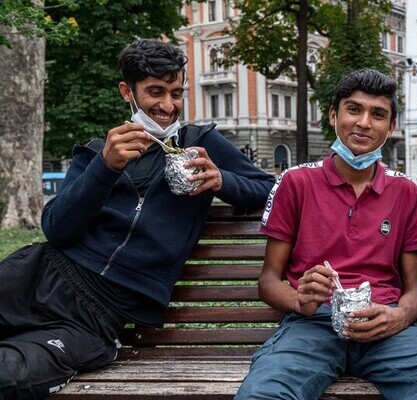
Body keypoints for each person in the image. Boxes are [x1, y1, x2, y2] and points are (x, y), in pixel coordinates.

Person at [0, 39, 275, 398]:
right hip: (36, 277)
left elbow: (267, 186)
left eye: (176, 93)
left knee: (10, 374)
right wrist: (105, 167)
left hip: (95, 319)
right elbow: (57, 228)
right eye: (155, 92)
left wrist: (223, 180)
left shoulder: (200, 142)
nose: (167, 105)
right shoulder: (100, 150)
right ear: (127, 92)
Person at [236, 69, 417, 400]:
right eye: (354, 109)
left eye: (378, 114)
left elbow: (414, 289)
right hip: (312, 325)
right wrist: (300, 299)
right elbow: (268, 281)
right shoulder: (296, 182)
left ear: (391, 127)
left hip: (387, 329)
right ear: (333, 115)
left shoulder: (404, 191)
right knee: (263, 395)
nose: (364, 123)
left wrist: (398, 316)